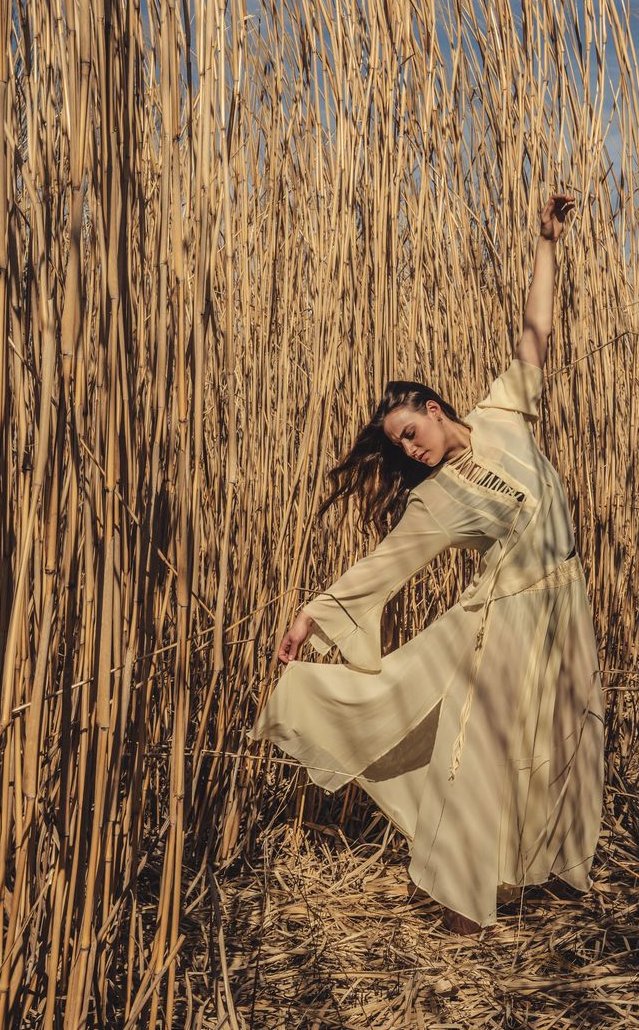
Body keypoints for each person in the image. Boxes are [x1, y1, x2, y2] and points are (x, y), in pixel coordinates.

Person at [250, 193, 605, 936]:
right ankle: (462, 899)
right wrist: (314, 613)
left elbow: (536, 333)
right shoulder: (436, 501)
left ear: (436, 408)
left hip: (564, 607)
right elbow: (381, 566)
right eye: (401, 445)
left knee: (566, 733)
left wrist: (547, 243)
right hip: (501, 626)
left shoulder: (505, 412)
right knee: (480, 754)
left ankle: (545, 870)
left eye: (411, 432)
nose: (410, 451)